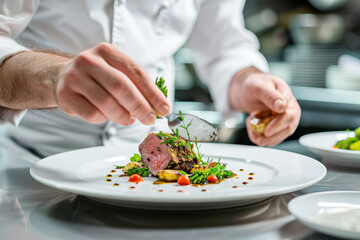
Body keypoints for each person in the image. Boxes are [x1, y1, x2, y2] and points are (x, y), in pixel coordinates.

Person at [0, 0, 300, 157]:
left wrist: (245, 79)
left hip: (151, 173)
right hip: (29, 163)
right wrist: (54, 76)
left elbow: (223, 46)